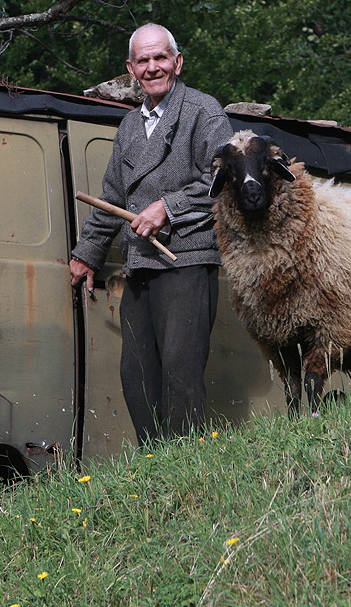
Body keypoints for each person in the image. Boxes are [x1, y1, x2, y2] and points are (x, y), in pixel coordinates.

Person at [69, 23, 233, 445]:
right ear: (131, 69)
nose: (153, 66)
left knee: (180, 370)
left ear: (177, 62)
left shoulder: (203, 111)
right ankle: (156, 465)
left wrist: (168, 208)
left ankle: (185, 473)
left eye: (161, 57)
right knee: (137, 373)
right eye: (143, 60)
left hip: (188, 259)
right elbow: (112, 196)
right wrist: (88, 253)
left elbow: (223, 176)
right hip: (141, 262)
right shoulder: (128, 127)